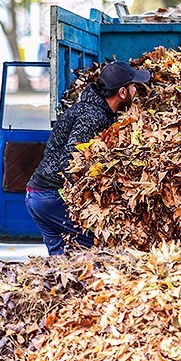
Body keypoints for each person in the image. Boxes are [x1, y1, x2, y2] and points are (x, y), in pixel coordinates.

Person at [26, 60, 150, 255]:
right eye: (133, 85)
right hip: (52, 196)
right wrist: (95, 196)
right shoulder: (93, 116)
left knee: (63, 263)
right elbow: (68, 160)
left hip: (38, 196)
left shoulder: (94, 110)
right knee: (100, 247)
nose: (136, 90)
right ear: (122, 92)